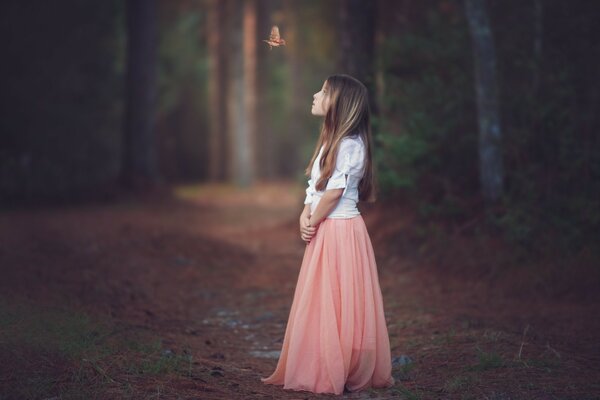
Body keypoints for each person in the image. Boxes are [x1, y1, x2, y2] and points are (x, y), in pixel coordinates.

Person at [261, 74, 395, 395]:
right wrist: (305, 214)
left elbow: (335, 193)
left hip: (342, 230)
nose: (315, 94)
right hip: (326, 228)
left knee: (341, 298)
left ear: (340, 104)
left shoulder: (351, 145)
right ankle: (323, 360)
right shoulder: (329, 141)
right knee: (323, 298)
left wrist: (315, 221)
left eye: (322, 91)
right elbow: (316, 187)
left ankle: (341, 365)